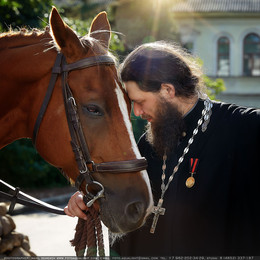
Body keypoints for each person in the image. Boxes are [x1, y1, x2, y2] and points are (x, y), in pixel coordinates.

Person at [64, 41, 260, 256]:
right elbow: (123, 193)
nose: (136, 112)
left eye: (140, 101)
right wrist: (88, 198)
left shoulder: (243, 127)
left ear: (168, 90)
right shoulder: (146, 143)